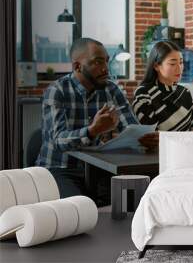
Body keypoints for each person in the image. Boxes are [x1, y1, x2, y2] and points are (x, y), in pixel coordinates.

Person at [36, 37, 157, 200]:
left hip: (98, 168)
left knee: (138, 199)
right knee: (80, 209)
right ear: (77, 66)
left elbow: (131, 128)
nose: (105, 68)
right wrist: (92, 131)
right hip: (60, 168)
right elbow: (58, 141)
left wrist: (143, 138)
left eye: (106, 62)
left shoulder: (111, 89)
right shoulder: (56, 91)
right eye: (98, 62)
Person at [132, 40, 193, 131]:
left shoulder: (185, 92)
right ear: (156, 66)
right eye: (172, 64)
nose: (179, 68)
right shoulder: (144, 93)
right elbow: (149, 137)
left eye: (181, 62)